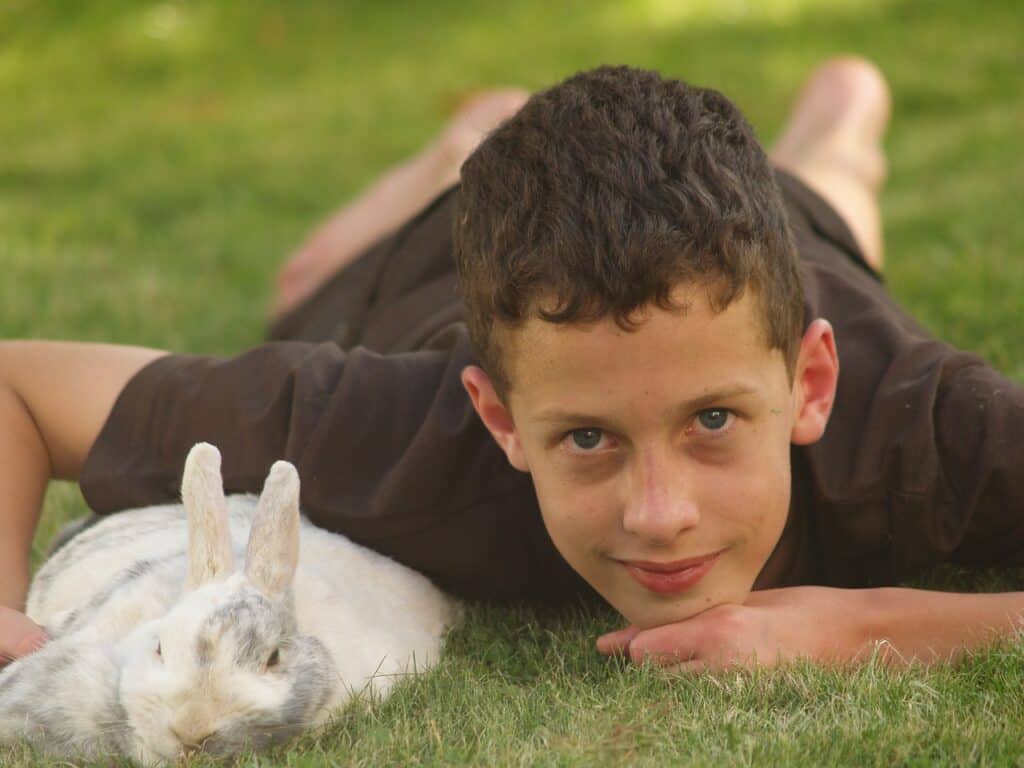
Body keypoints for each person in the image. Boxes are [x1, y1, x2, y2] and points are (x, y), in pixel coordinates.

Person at [1, 57, 1022, 672]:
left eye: (712, 421)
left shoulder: (927, 428)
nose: (658, 514)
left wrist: (866, 629)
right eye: (586, 439)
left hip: (791, 243)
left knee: (827, 192)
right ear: (497, 421)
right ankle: (466, 137)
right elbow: (20, 390)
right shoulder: (406, 431)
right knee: (305, 276)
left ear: (811, 385)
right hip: (436, 249)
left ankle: (845, 112)